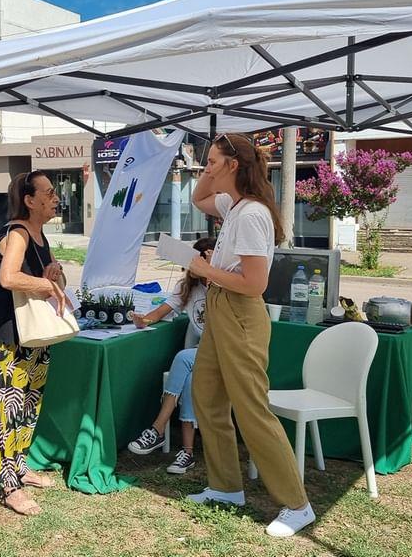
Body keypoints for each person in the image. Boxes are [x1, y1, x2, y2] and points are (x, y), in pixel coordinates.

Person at [187, 134, 315, 538]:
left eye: (212, 161)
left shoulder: (251, 214)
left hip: (240, 313)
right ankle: (226, 487)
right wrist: (214, 165)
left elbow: (255, 284)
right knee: (206, 397)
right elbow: (198, 197)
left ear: (233, 165)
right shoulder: (233, 205)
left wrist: (204, 269)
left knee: (251, 409)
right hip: (223, 310)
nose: (205, 168)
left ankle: (298, 504)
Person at [0, 170, 67, 516]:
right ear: (29, 201)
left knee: (29, 405)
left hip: (34, 332)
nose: (55, 197)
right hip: (11, 334)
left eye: (54, 191)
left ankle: (19, 467)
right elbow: (8, 277)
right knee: (8, 409)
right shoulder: (17, 233)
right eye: (48, 193)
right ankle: (8, 486)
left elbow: (35, 278)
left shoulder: (40, 234)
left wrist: (51, 274)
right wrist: (46, 286)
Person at [127, 236, 216, 474]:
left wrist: (213, 272)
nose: (192, 267)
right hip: (202, 356)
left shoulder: (223, 286)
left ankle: (157, 428)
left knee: (184, 358)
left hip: (224, 355)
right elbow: (159, 312)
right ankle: (186, 453)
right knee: (188, 375)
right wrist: (142, 320)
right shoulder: (187, 287)